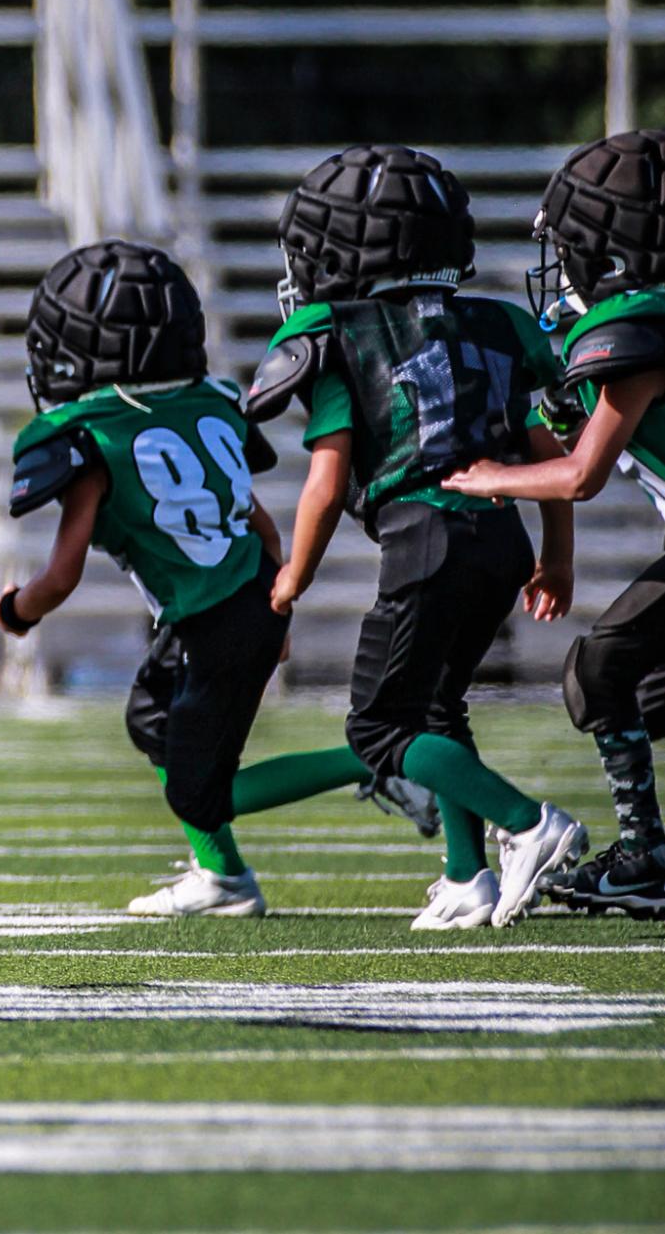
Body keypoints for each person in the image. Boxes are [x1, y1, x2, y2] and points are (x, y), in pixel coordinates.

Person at [0, 239, 425, 920]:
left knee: (204, 793)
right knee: (150, 718)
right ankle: (219, 873)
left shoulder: (86, 435)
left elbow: (59, 576)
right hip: (243, 594)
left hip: (214, 620)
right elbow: (260, 522)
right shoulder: (217, 401)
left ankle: (374, 761)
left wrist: (14, 610)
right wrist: (277, 602)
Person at [245, 143, 586, 929]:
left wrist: (292, 573)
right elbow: (546, 450)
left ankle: (530, 822)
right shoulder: (498, 322)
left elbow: (327, 482)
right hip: (498, 538)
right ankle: (467, 877)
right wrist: (555, 556)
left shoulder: (336, 329)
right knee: (436, 703)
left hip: (424, 536)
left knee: (375, 726)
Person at [442, 128, 665, 919]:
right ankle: (645, 855)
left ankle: (644, 856)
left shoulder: (638, 334)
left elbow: (581, 473)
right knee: (626, 679)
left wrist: (491, 475)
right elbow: (569, 432)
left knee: (605, 673)